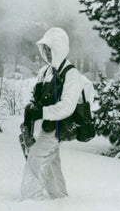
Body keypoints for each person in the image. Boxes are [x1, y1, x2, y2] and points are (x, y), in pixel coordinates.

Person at [21, 27, 84, 200]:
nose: (48, 54)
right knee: (51, 161)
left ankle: (31, 198)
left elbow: (67, 107)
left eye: (51, 49)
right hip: (45, 126)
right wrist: (31, 110)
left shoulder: (71, 74)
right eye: (45, 49)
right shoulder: (45, 71)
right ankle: (59, 196)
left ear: (61, 48)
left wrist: (41, 112)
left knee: (35, 157)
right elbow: (36, 96)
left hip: (60, 126)